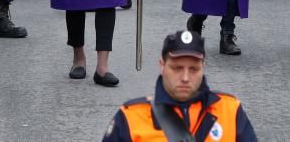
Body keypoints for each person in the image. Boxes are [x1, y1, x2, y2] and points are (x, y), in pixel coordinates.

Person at [102, 29, 257, 141]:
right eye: (177, 68)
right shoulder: (131, 116)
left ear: (203, 67)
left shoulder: (230, 110)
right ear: (162, 66)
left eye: (194, 69)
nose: (185, 77)